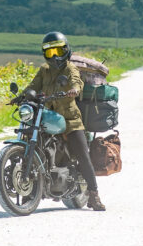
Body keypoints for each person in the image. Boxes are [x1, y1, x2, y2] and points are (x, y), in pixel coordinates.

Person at [23, 31, 106, 211]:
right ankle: (32, 185)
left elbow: (77, 81)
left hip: (70, 120)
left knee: (83, 156)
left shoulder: (70, 68)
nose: (54, 56)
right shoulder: (44, 71)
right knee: (29, 136)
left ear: (66, 50)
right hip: (47, 116)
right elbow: (33, 86)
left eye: (58, 51)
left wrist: (75, 89)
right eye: (50, 52)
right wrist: (23, 96)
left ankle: (94, 195)